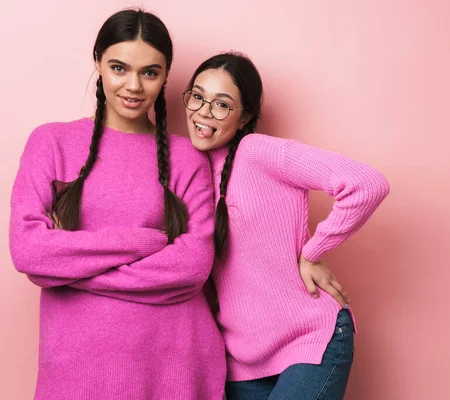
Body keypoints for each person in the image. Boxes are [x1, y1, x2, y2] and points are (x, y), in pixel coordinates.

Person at [9, 9, 224, 399]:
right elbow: (29, 251)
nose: (134, 85)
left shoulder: (187, 157)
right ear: (98, 63)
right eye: (119, 67)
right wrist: (144, 242)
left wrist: (70, 270)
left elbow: (194, 265)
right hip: (77, 367)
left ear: (165, 76)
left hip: (175, 363)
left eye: (150, 72)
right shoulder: (51, 143)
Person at [183, 52, 391, 399]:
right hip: (242, 358)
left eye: (221, 104)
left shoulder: (258, 152)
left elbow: (366, 183)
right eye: (197, 96)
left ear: (245, 115)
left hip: (308, 339)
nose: (204, 111)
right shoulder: (188, 172)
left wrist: (312, 253)